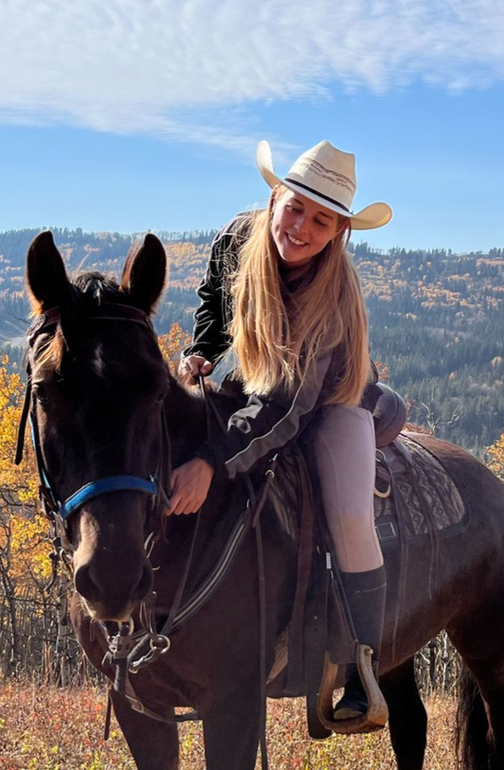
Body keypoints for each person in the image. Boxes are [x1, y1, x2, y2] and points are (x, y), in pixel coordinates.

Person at [166, 139, 392, 730]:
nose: (301, 228)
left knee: (348, 519)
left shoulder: (333, 299)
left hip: (330, 399)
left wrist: (215, 460)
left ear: (340, 231)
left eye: (322, 221)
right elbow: (217, 311)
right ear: (274, 197)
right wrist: (198, 355)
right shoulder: (237, 239)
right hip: (254, 379)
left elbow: (287, 408)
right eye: (295, 208)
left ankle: (362, 672)